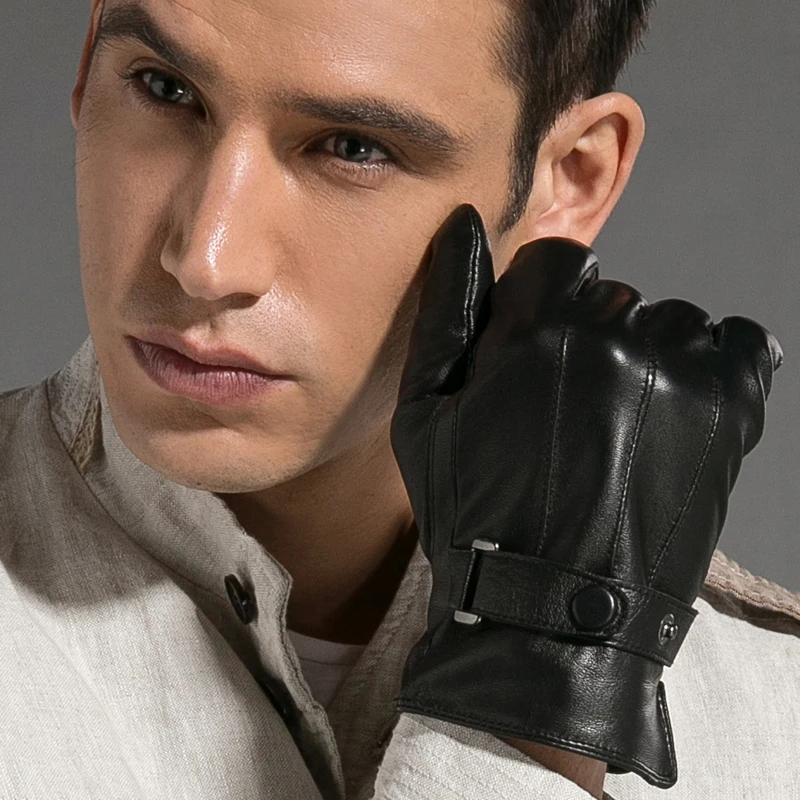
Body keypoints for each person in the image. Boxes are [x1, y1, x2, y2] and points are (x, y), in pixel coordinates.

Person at [0, 0, 797, 798]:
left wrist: (555, 645)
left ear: (568, 178)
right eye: (165, 88)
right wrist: (534, 709)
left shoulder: (776, 716)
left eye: (354, 147)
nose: (207, 260)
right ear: (90, 61)